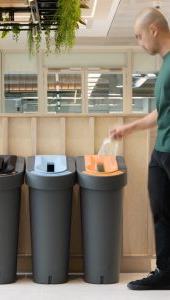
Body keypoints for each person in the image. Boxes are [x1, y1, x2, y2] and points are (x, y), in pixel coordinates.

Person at [110, 7, 170, 290]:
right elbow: (161, 112)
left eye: (139, 36)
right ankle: (166, 273)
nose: (139, 42)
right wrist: (128, 128)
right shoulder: (165, 65)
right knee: (161, 213)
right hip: (161, 153)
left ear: (154, 30)